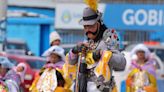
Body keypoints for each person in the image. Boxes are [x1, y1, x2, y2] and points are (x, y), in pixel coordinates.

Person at [64, 2, 126, 92]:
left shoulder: (107, 39)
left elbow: (122, 63)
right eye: (85, 27)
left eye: (91, 26)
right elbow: (70, 62)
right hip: (83, 86)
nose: (88, 30)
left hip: (101, 88)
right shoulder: (87, 42)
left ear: (98, 24)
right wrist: (74, 50)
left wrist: (102, 54)